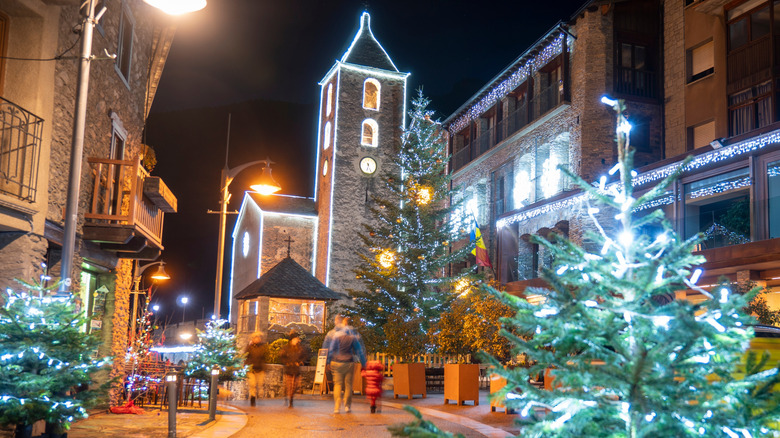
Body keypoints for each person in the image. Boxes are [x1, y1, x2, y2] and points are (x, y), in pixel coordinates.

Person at [326, 316, 366, 414]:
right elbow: (359, 351)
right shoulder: (352, 337)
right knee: (348, 385)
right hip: (348, 362)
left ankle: (337, 407)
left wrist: (328, 361)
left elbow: (331, 350)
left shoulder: (336, 337)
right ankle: (347, 406)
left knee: (338, 384)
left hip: (336, 362)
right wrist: (363, 363)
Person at [280, 332, 307, 408]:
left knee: (294, 386)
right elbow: (282, 357)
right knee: (289, 385)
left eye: (297, 339)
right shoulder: (286, 348)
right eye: (295, 339)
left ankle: (290, 397)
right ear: (292, 340)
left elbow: (304, 356)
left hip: (296, 369)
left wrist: (300, 362)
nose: (296, 340)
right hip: (289, 369)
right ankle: (290, 400)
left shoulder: (300, 348)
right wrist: (287, 363)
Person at [244, 333, 267, 407]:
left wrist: (264, 367)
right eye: (255, 338)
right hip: (251, 369)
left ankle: (256, 395)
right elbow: (246, 357)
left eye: (258, 338)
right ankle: (252, 398)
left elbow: (264, 358)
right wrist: (247, 366)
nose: (257, 339)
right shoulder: (249, 347)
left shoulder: (263, 347)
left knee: (260, 384)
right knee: (252, 384)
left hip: (260, 368)